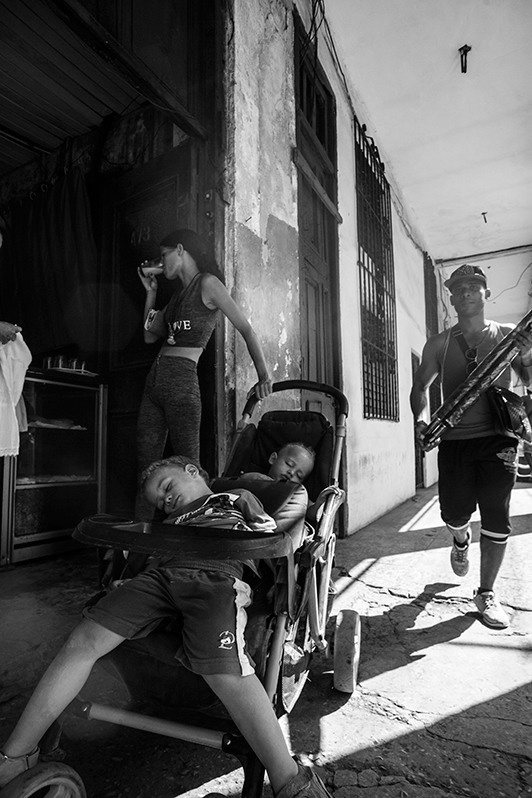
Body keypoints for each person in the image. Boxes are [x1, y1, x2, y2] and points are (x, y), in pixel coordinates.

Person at [0, 455, 332, 798]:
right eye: (159, 501)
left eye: (167, 487)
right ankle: (17, 754)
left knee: (224, 670)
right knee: (82, 640)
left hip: (215, 575)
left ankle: (288, 778)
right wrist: (126, 581)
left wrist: (302, 534)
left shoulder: (235, 498)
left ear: (192, 471)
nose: (165, 500)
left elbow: (274, 535)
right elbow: (144, 558)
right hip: (159, 579)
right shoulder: (169, 522)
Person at [410, 263, 532, 629]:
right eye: (458, 288)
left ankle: (485, 593)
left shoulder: (510, 337)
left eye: (473, 286)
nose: (465, 292)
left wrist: (525, 357)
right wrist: (420, 420)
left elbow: (528, 381)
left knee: (497, 515)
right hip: (454, 440)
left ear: (486, 294)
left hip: (499, 436)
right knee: (455, 514)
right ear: (450, 298)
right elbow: (420, 388)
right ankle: (460, 540)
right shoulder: (439, 343)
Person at [136, 229, 272, 518]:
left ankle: (195, 537)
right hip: (154, 383)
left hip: (182, 383)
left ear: (181, 250)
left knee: (190, 468)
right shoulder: (175, 299)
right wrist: (151, 292)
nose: (161, 263)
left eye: (164, 255)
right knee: (145, 469)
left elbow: (246, 328)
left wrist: (263, 375)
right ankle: (138, 550)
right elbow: (150, 337)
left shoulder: (207, 284)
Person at [242, 442, 316, 485]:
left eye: (299, 476)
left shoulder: (294, 496)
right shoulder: (255, 478)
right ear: (273, 459)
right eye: (289, 464)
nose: (292, 473)